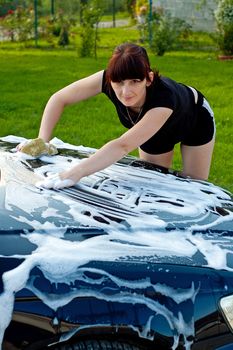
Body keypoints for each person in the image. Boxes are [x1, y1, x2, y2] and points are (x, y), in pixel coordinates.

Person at [31, 42, 215, 189]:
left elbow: (123, 145)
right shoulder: (106, 80)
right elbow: (59, 99)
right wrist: (41, 141)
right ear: (110, 79)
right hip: (153, 129)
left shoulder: (164, 99)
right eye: (118, 82)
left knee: (194, 185)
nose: (126, 92)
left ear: (149, 79)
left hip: (194, 120)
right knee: (155, 180)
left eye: (135, 81)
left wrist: (75, 172)